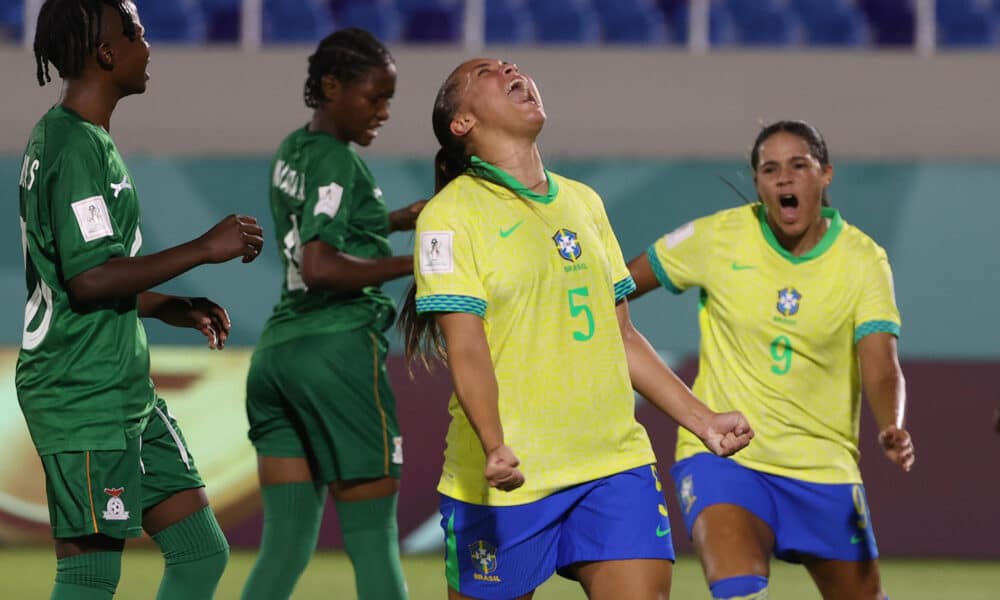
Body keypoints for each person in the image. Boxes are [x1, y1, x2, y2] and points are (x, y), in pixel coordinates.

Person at [397, 58, 754, 600]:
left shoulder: (584, 202)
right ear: (462, 123)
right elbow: (466, 347)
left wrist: (701, 420)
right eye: (485, 72)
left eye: (510, 64)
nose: (509, 68)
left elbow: (623, 338)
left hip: (613, 464)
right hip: (506, 480)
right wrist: (494, 444)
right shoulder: (449, 217)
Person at [19, 1, 265, 599]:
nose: (148, 46)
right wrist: (205, 247)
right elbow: (88, 280)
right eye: (138, 33)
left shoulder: (83, 140)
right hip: (82, 393)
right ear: (107, 52)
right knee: (91, 574)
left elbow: (90, 276)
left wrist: (169, 306)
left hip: (122, 387)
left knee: (200, 552)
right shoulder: (72, 146)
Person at [627, 120, 916, 600]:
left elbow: (882, 365)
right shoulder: (718, 236)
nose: (784, 178)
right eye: (770, 169)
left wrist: (892, 424)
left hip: (822, 466)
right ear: (757, 183)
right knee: (739, 591)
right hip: (727, 456)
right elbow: (619, 285)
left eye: (798, 166)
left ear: (825, 175)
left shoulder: (863, 259)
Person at [241, 28, 424, 600]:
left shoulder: (292, 151)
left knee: (286, 547)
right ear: (330, 86)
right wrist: (416, 264)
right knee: (374, 543)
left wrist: (391, 220)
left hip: (277, 360)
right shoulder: (336, 161)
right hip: (337, 355)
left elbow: (320, 231)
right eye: (375, 98)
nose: (385, 112)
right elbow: (321, 265)